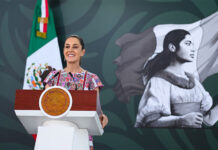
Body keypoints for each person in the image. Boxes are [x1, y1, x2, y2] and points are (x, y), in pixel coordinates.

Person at [135, 29, 218, 128]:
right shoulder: (158, 81)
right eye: (188, 43)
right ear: (172, 47)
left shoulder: (194, 81)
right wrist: (180, 120)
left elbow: (207, 121)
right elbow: (149, 122)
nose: (193, 49)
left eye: (192, 44)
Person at [43, 35, 108, 149]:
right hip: (54, 136)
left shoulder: (92, 78)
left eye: (75, 47)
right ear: (63, 51)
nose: (70, 50)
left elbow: (97, 111)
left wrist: (103, 118)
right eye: (67, 47)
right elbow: (45, 107)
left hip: (82, 138)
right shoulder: (52, 77)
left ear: (82, 52)